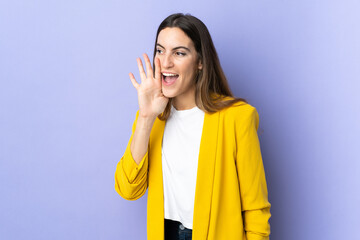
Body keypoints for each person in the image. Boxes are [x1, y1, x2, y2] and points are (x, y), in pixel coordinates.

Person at [114, 13, 271, 240]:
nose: (166, 62)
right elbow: (128, 190)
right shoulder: (151, 120)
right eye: (160, 50)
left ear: (200, 62)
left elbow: (256, 210)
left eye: (179, 53)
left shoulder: (237, 118)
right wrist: (146, 117)